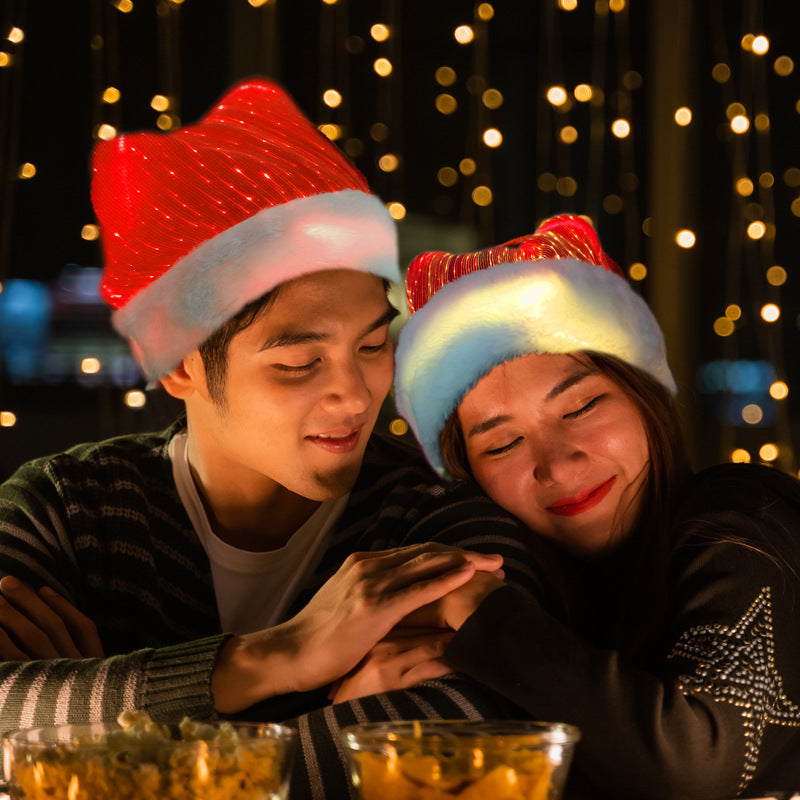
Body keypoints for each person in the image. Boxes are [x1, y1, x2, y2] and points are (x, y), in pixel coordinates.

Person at [0, 79, 537, 797]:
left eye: (374, 345)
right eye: (299, 362)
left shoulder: (434, 517)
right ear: (182, 365)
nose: (354, 393)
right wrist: (284, 661)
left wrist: (91, 733)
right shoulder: (66, 506)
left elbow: (470, 729)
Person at [383, 214, 800, 799]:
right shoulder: (542, 600)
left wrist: (483, 614)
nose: (557, 463)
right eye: (501, 443)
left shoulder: (742, 516)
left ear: (645, 396)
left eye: (579, 408)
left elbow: (693, 766)